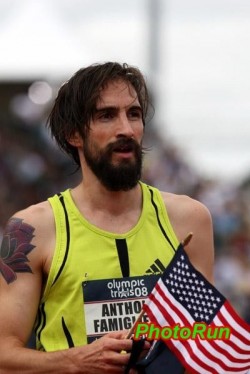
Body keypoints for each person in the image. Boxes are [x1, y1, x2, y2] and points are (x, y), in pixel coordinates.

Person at [0, 62, 214, 373]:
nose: (126, 129)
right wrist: (75, 360)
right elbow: (4, 357)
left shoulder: (189, 220)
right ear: (74, 134)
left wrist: (166, 344)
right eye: (106, 115)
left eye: (134, 114)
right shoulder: (31, 229)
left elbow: (205, 342)